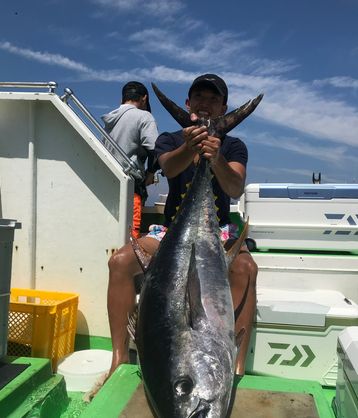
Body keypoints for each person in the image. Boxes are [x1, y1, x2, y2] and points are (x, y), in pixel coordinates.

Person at [106, 74, 258, 379]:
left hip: (219, 234)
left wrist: (215, 159)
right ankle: (120, 358)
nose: (206, 103)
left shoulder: (234, 145)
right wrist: (191, 147)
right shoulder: (171, 139)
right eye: (199, 97)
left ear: (223, 108)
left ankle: (236, 367)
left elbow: (235, 188)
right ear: (188, 103)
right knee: (120, 262)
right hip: (173, 231)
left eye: (214, 99)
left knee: (246, 269)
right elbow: (169, 167)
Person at [101, 81, 159, 238]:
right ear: (144, 98)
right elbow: (155, 150)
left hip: (107, 186)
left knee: (111, 235)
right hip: (131, 188)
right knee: (130, 240)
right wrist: (150, 172)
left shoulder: (109, 121)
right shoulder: (144, 116)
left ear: (122, 100)